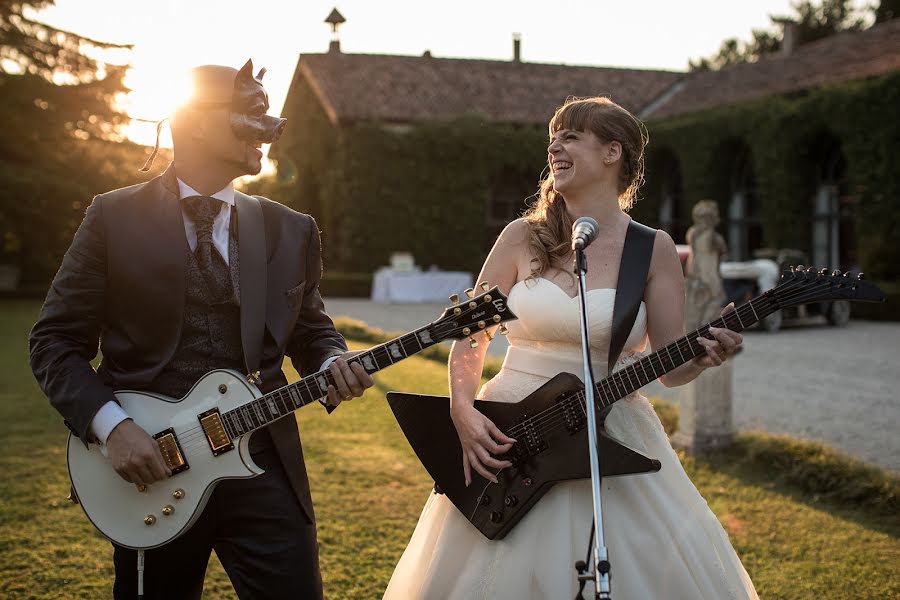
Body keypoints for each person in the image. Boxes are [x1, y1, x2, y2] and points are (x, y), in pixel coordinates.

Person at [384, 96, 758, 599]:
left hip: (609, 430)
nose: (554, 146)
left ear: (612, 153)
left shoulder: (653, 249)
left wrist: (705, 355)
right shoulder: (521, 237)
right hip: (509, 432)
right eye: (553, 137)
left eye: (571, 136)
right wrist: (462, 410)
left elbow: (670, 367)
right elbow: (472, 333)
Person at [28, 60, 373, 599]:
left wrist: (331, 360)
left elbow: (310, 330)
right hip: (152, 466)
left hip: (263, 463)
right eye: (250, 114)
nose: (270, 130)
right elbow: (54, 342)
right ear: (196, 123)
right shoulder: (112, 219)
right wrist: (113, 427)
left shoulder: (291, 229)